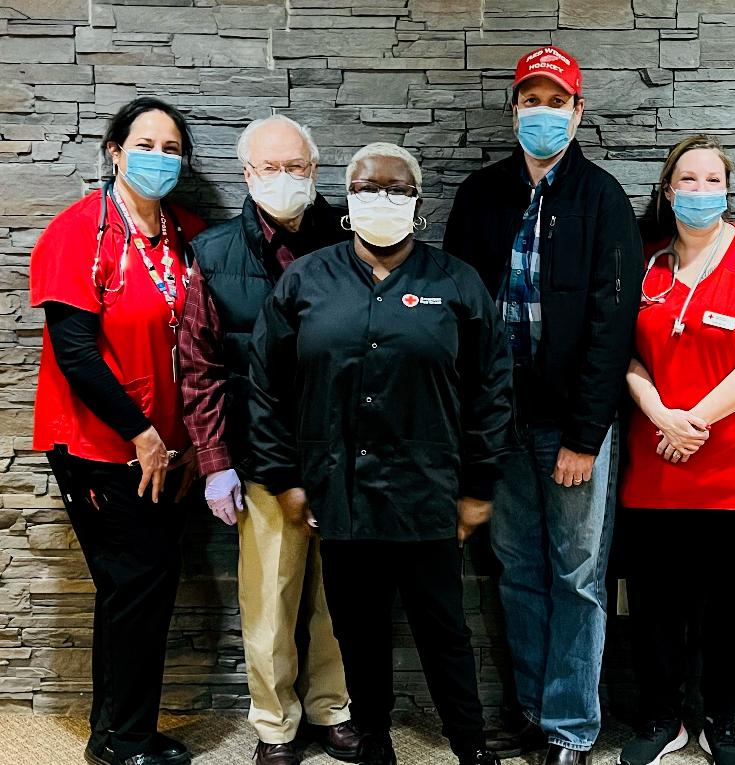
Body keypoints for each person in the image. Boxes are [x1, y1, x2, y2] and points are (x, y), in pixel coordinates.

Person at [248, 142, 513, 765]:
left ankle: (469, 746)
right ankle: (373, 742)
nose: (382, 198)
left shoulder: (456, 282)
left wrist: (479, 488)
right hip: (340, 493)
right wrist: (284, 477)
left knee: (445, 632)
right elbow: (266, 385)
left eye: (397, 188)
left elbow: (492, 389)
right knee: (357, 633)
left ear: (417, 202)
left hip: (430, 494)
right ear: (347, 198)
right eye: (368, 187)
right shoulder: (305, 280)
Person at [444, 46, 643, 765]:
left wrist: (586, 435)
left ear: (578, 112)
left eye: (557, 102)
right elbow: (457, 312)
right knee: (518, 569)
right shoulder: (480, 195)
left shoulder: (603, 198)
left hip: (572, 427)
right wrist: (474, 425)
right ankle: (531, 710)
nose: (543, 113)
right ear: (514, 109)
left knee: (579, 577)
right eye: (531, 101)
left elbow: (612, 326)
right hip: (500, 424)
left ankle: (571, 727)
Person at [616, 136, 735, 765]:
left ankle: (720, 721)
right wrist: (660, 415)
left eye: (712, 180)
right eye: (687, 180)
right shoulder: (645, 263)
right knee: (655, 607)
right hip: (658, 464)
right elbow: (624, 354)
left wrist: (693, 421)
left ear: (728, 192)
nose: (700, 191)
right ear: (667, 191)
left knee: (733, 609)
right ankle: (663, 719)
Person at [29, 97, 206, 765]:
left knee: (138, 587)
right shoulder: (79, 231)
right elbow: (75, 352)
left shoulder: (187, 232)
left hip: (170, 448)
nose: (159, 158)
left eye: (171, 148)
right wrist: (143, 435)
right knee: (140, 584)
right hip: (103, 447)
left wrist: (188, 440)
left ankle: (113, 733)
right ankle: (126, 742)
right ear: (114, 151)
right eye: (145, 144)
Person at [178, 115, 358, 765]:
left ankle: (334, 708)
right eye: (270, 167)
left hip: (342, 455)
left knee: (340, 597)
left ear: (315, 171)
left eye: (297, 167)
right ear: (247, 173)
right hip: (261, 456)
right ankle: (275, 724)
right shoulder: (214, 253)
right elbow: (198, 365)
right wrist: (214, 460)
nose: (285, 178)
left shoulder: (353, 239)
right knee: (269, 602)